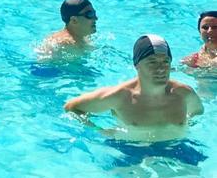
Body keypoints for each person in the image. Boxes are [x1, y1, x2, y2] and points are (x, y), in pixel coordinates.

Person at [65, 35, 203, 132]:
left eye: (165, 62)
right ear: (137, 65)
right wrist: (100, 131)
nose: (160, 68)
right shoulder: (120, 96)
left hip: (178, 147)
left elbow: (198, 112)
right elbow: (72, 108)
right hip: (134, 150)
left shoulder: (183, 93)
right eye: (152, 62)